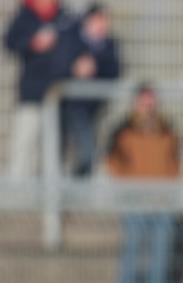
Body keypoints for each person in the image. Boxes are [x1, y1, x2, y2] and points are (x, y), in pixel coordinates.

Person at [106, 85, 183, 283]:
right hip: (135, 200)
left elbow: (175, 163)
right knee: (133, 248)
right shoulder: (124, 131)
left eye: (151, 102)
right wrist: (127, 188)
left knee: (161, 251)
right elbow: (114, 162)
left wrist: (170, 189)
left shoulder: (167, 130)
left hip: (161, 202)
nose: (148, 107)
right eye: (144, 102)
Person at [3, 0, 76, 179]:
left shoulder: (65, 18)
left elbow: (75, 47)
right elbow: (9, 42)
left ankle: (51, 190)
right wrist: (32, 43)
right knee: (24, 142)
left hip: (59, 94)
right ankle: (17, 187)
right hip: (31, 93)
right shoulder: (25, 16)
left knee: (53, 148)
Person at [59, 3, 120, 177]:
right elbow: (58, 67)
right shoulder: (71, 40)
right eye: (99, 20)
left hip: (96, 108)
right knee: (79, 152)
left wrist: (95, 66)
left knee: (89, 155)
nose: (103, 24)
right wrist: (75, 68)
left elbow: (115, 72)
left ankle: (77, 185)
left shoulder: (109, 45)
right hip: (72, 107)